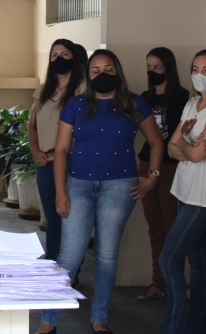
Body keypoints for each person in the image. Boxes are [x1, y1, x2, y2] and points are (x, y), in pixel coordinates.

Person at [37, 49, 166, 334]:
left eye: (108, 69)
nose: (102, 74)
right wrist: (60, 191)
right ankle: (48, 321)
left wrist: (153, 177)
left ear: (117, 72)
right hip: (79, 185)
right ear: (88, 75)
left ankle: (99, 320)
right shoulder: (76, 105)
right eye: (95, 70)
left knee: (106, 256)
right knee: (69, 256)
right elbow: (61, 149)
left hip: (119, 187)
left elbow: (157, 142)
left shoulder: (134, 103)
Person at [158, 49, 206, 334]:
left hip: (202, 197)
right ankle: (196, 326)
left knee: (169, 259)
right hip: (183, 190)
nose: (200, 75)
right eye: (196, 69)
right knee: (198, 260)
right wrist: (186, 145)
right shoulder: (192, 103)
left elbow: (194, 154)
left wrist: (183, 143)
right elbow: (171, 147)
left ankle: (175, 327)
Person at [138, 47, 190, 301]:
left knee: (172, 227)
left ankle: (173, 284)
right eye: (149, 67)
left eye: (157, 67)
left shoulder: (183, 97)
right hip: (146, 164)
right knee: (155, 227)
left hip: (171, 166)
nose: (152, 71)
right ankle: (157, 283)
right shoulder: (144, 98)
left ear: (168, 68)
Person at [29, 39, 85, 261]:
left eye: (64, 54)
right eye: (54, 55)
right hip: (44, 161)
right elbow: (32, 125)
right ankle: (52, 261)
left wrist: (59, 153)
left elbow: (83, 128)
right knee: (52, 217)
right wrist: (36, 152)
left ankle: (71, 267)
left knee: (69, 215)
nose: (58, 59)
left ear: (74, 58)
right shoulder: (43, 90)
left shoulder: (82, 89)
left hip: (70, 159)